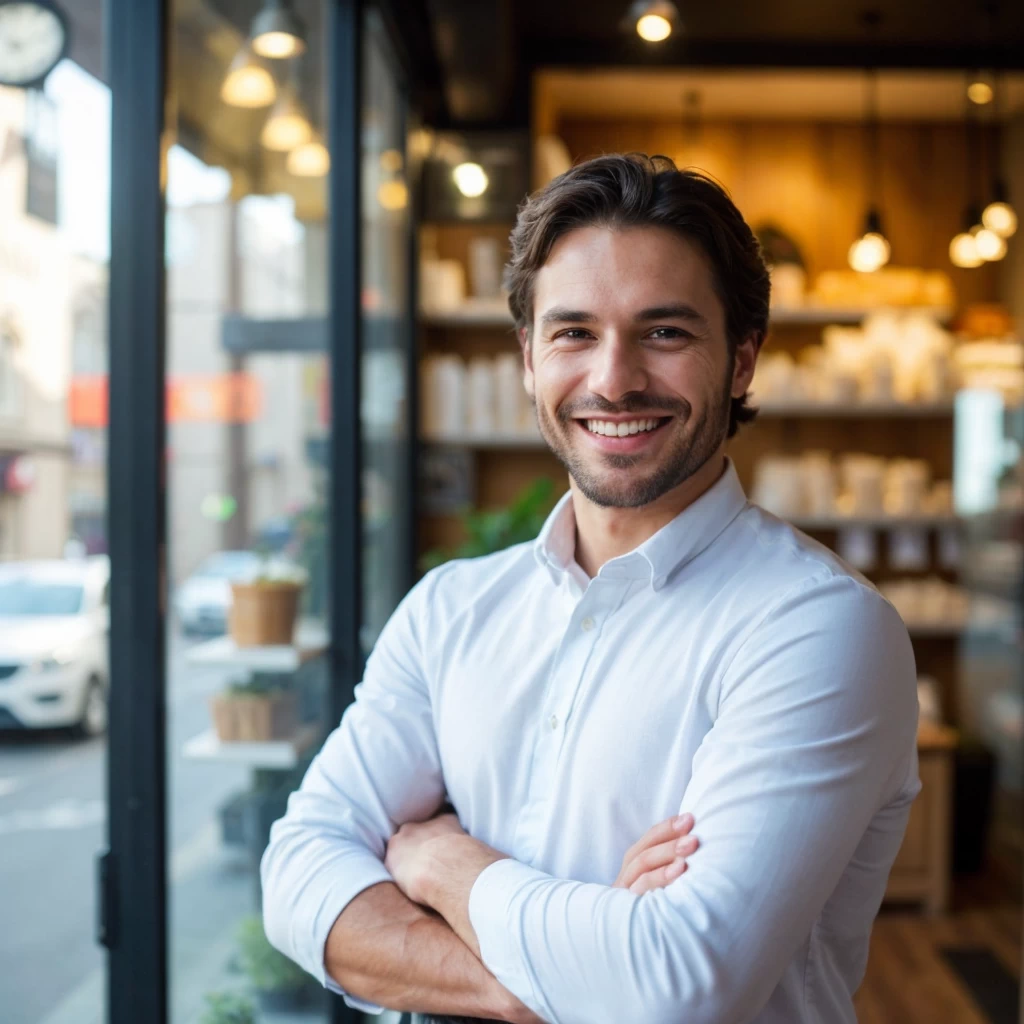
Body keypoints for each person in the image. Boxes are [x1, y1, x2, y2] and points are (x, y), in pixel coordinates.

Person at [261, 154, 920, 1024]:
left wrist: (440, 865)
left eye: (665, 332)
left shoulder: (820, 630)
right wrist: (554, 985)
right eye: (574, 332)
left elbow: (678, 985)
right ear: (528, 359)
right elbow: (296, 875)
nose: (613, 379)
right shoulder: (449, 611)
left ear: (742, 361)